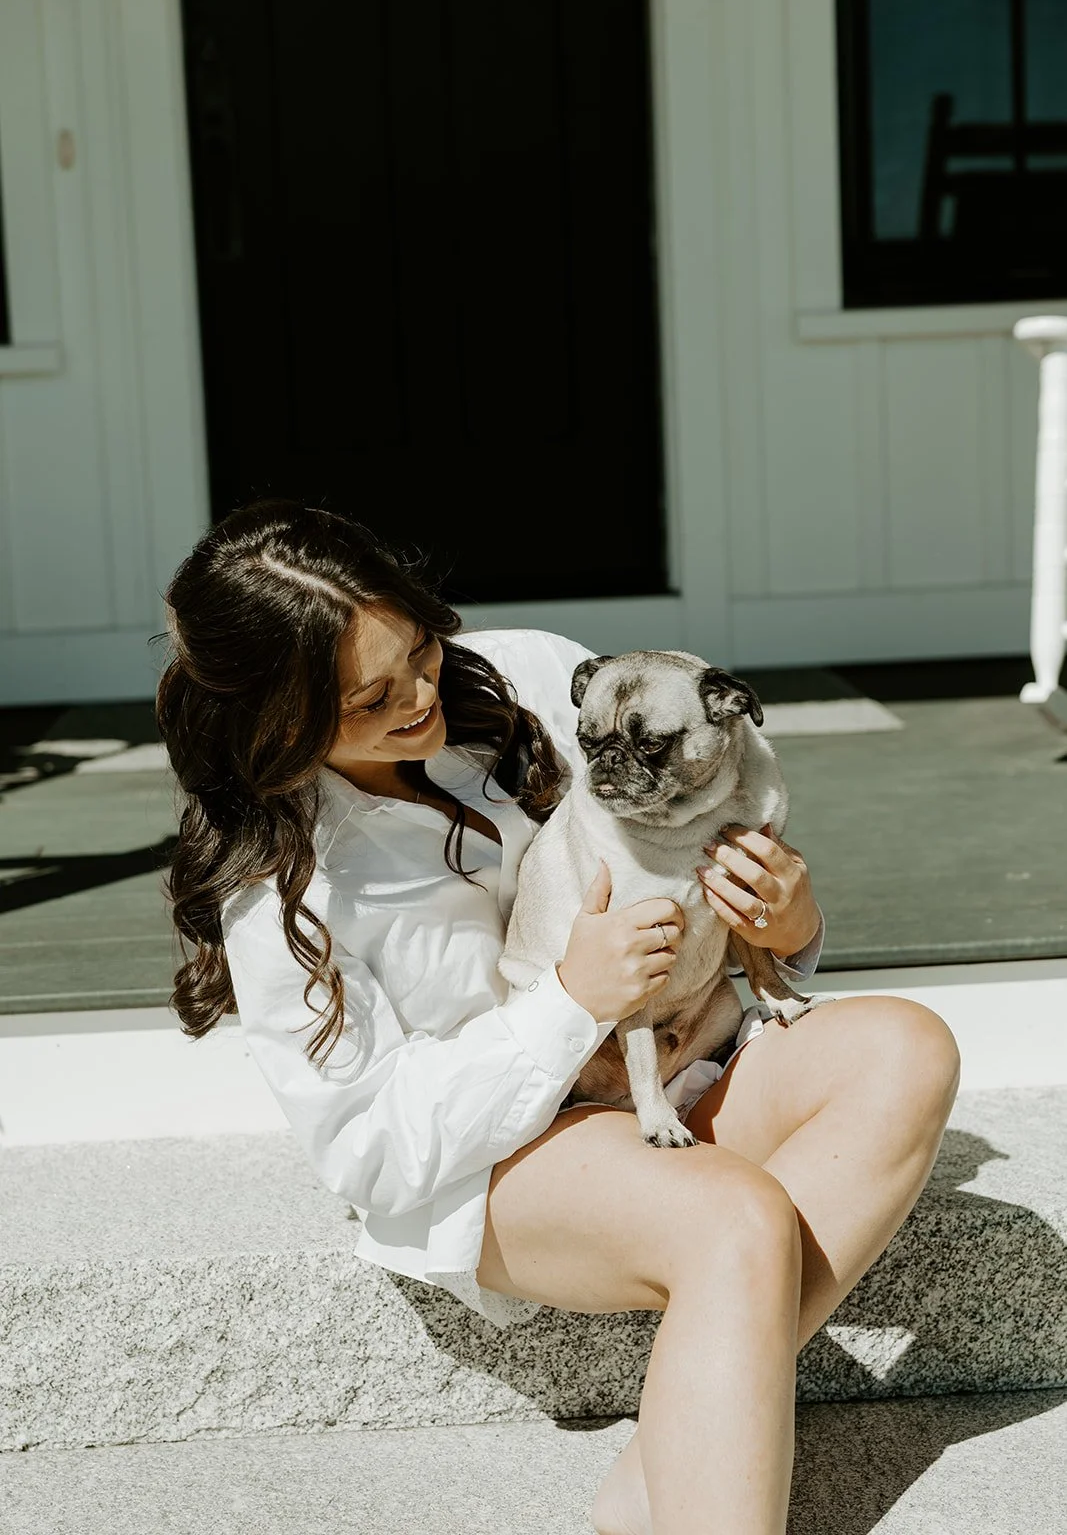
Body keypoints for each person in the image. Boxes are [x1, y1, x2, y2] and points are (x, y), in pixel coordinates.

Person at [156, 498, 961, 1535]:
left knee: (903, 1047)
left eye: (419, 651)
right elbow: (368, 1150)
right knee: (733, 1217)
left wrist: (786, 916)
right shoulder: (288, 888)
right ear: (278, 719)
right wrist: (569, 1002)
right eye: (366, 698)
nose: (415, 697)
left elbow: (693, 803)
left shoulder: (537, 675)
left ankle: (666, 1462)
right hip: (497, 1156)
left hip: (669, 1056)